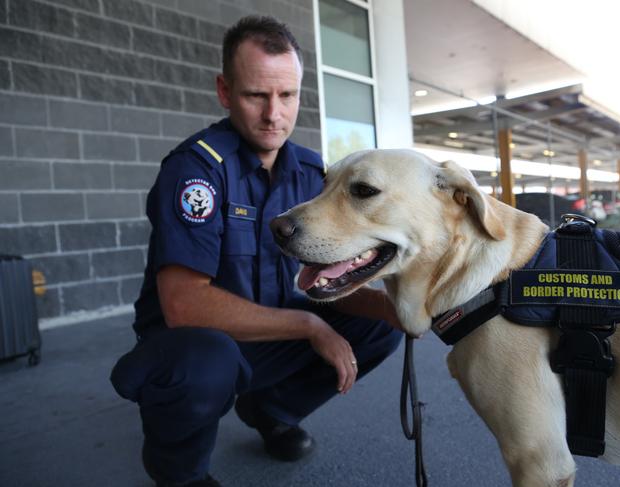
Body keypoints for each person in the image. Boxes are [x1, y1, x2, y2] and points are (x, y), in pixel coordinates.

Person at [110, 15, 403, 487]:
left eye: (287, 95)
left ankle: (270, 410)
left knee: (379, 323)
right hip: (193, 343)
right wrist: (309, 325)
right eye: (256, 95)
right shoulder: (196, 171)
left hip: (271, 330)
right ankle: (179, 473)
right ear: (225, 92)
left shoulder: (311, 173)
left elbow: (324, 280)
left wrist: (396, 307)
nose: (274, 114)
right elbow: (185, 307)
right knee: (204, 363)